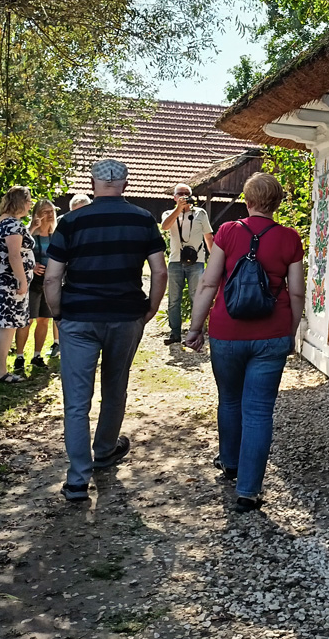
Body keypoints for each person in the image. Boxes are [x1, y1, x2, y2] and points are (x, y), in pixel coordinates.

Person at [43, 160, 168, 502]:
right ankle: (105, 450)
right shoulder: (143, 219)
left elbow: (52, 277)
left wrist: (58, 313)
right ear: (125, 184)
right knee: (115, 387)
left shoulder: (71, 222)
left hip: (79, 317)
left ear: (92, 183)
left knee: (76, 401)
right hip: (126, 315)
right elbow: (160, 272)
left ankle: (77, 479)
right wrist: (151, 308)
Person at [185, 172, 304, 512]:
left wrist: (195, 328)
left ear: (248, 201)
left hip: (227, 332)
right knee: (259, 410)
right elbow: (297, 292)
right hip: (272, 334)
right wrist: (290, 333)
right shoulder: (289, 238)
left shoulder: (228, 231)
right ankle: (249, 491)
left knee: (229, 399)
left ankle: (230, 462)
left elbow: (209, 283)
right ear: (276, 202)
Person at [0, 186, 35, 383]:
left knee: (0, 326)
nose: (30, 205)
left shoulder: (3, 221)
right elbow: (14, 255)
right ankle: (0, 372)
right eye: (28, 201)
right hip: (10, 282)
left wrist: (31, 229)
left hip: (1, 279)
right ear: (20, 202)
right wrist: (22, 280)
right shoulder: (13, 224)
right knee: (7, 326)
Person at [160, 184, 214, 345]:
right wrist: (178, 209)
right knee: (173, 299)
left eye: (186, 194)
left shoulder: (200, 213)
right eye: (180, 194)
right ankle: (175, 333)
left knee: (196, 298)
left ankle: (196, 333)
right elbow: (164, 226)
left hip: (196, 262)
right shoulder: (169, 214)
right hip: (175, 261)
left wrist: (214, 258)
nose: (183, 196)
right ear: (174, 197)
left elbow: (208, 237)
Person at [13, 199, 59, 371]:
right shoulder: (30, 233)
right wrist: (32, 266)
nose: (50, 215)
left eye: (51, 211)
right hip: (31, 282)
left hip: (50, 282)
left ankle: (37, 356)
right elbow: (18, 252)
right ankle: (19, 356)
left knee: (44, 320)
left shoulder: (56, 235)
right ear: (37, 214)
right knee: (27, 319)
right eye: (45, 211)